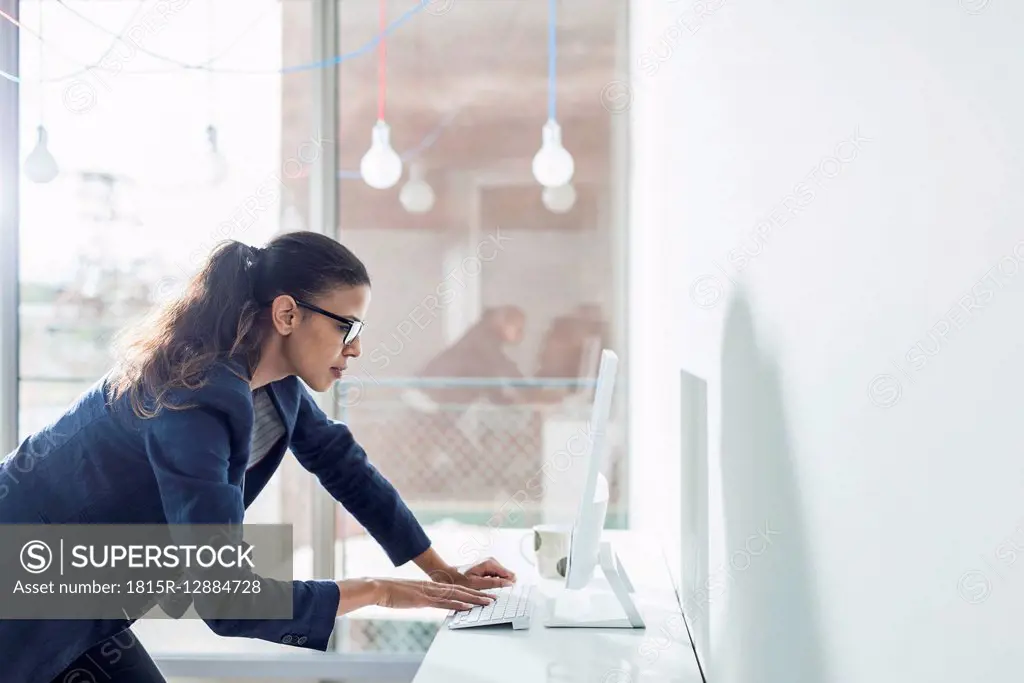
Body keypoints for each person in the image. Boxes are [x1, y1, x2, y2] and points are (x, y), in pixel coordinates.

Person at [0, 232, 516, 683]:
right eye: (348, 328)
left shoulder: (273, 385)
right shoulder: (194, 401)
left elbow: (344, 466)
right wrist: (380, 591)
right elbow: (225, 599)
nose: (355, 349)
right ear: (287, 314)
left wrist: (441, 572)